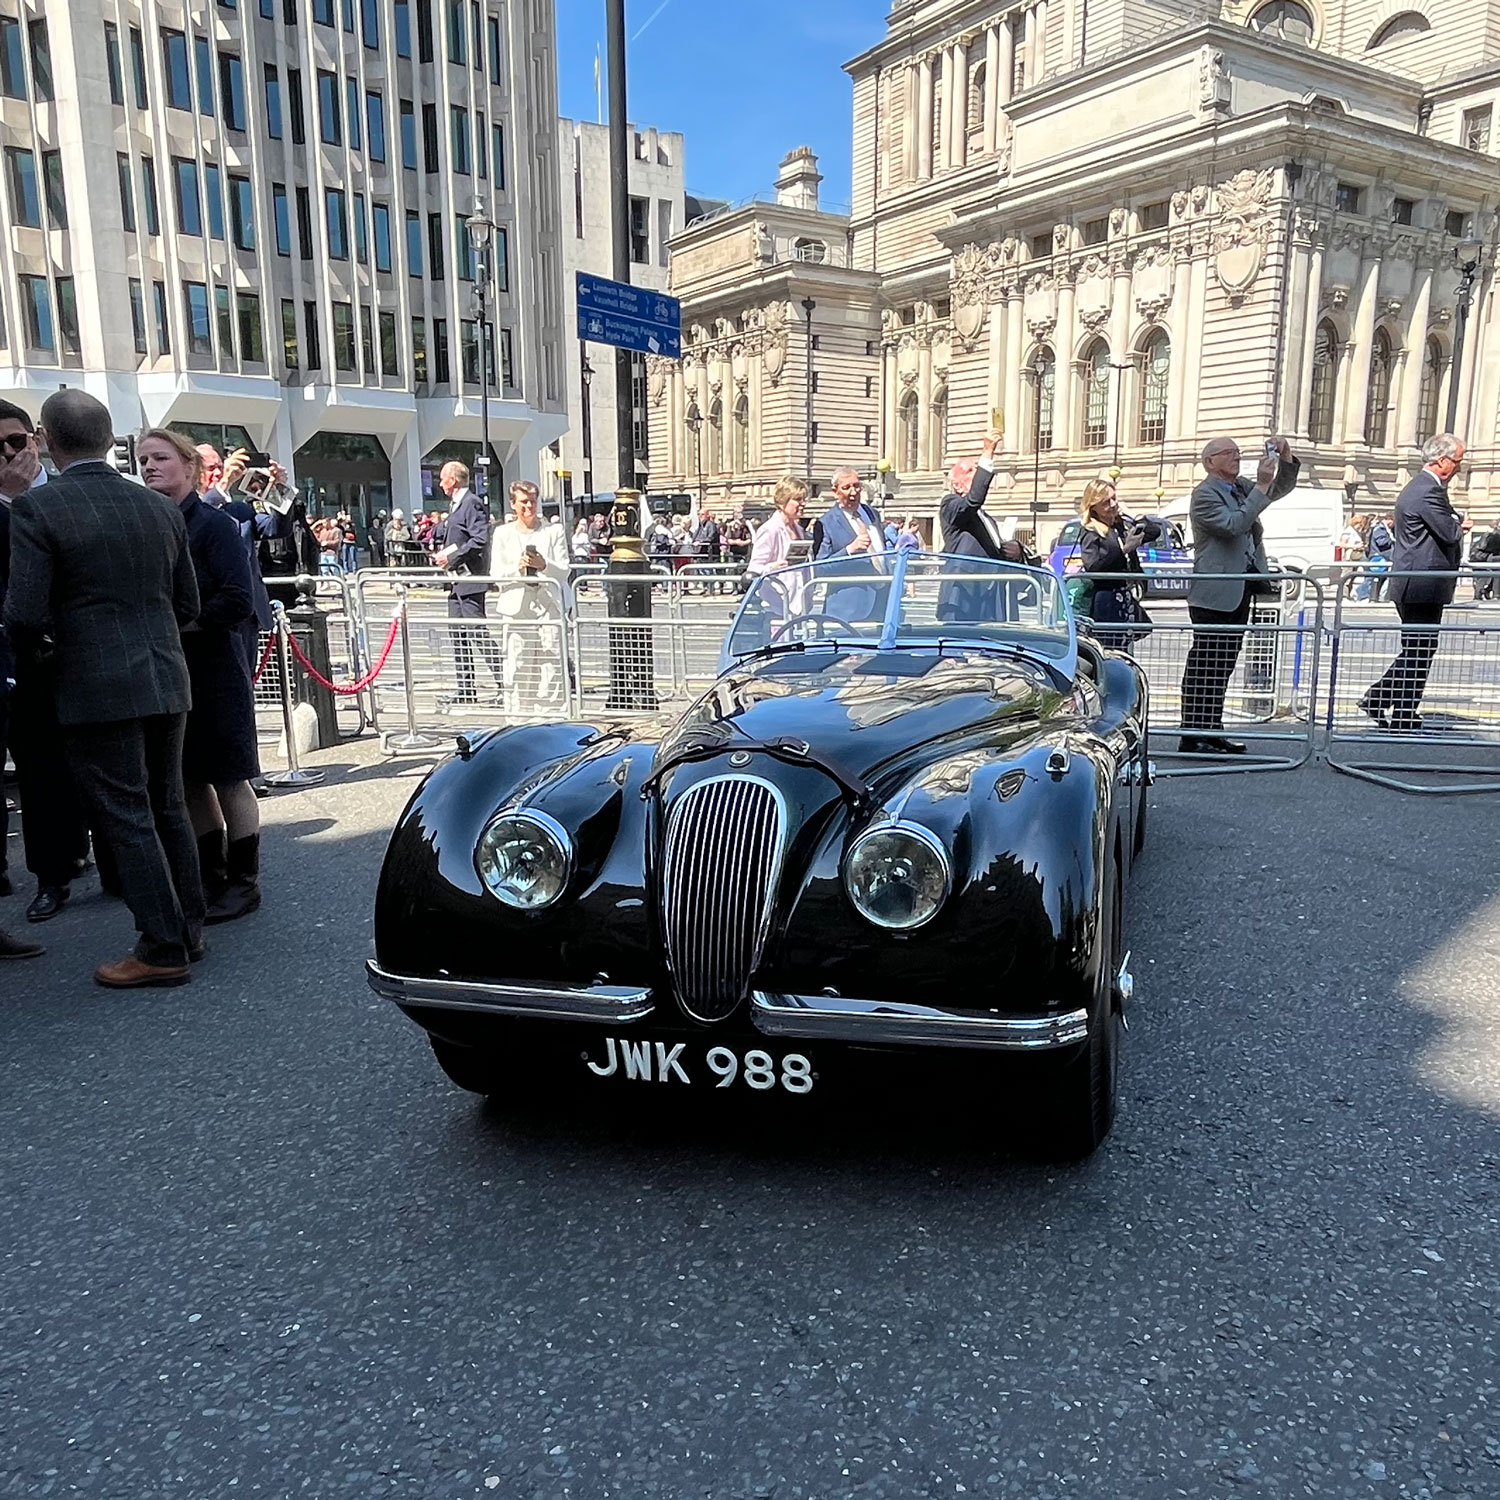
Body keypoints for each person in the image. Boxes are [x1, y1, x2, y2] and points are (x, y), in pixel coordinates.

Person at [4, 390, 204, 988]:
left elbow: (24, 614)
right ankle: (188, 927)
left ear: (47, 440)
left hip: (93, 681)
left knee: (127, 812)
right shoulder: (160, 509)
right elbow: (188, 603)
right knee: (167, 804)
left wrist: (48, 650)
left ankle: (163, 946)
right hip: (166, 673)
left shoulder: (37, 511)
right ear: (108, 436)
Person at [139, 431, 263, 923]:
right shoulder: (147, 524)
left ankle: (244, 880)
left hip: (214, 669)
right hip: (169, 670)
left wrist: (180, 622)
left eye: (161, 458)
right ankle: (210, 874)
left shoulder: (212, 526)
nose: (149, 467)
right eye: (143, 459)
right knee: (188, 778)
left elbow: (237, 598)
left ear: (189, 467)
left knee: (230, 777)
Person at [0, 400, 95, 922]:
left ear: (36, 440)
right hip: (25, 662)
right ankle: (51, 876)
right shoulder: (8, 504)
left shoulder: (71, 491)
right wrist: (12, 507)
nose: (10, 455)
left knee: (104, 768)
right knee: (39, 773)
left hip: (84, 653)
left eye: (17, 442)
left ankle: (118, 868)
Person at [1178, 435, 1301, 755]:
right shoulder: (1205, 494)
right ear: (1210, 462)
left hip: (1240, 588)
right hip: (1214, 592)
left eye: (1238, 452)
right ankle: (1192, 734)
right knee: (1206, 663)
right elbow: (1233, 524)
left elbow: (1277, 490)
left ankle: (1212, 729)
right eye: (1228, 453)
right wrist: (1259, 487)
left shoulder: (1241, 486)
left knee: (1224, 664)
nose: (1236, 458)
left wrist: (1285, 459)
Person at [1359, 433, 1470, 732]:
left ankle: (1403, 710)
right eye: (1458, 461)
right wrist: (1461, 524)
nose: (1459, 467)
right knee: (1419, 649)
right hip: (1421, 582)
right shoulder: (1426, 491)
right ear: (1442, 461)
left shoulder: (1426, 488)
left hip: (1418, 580)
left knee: (1419, 649)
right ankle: (1380, 699)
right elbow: (1448, 531)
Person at [490, 480, 571, 715]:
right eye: (523, 502)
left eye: (533, 502)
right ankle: (517, 718)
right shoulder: (503, 533)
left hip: (548, 606)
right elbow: (497, 575)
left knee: (552, 664)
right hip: (517, 608)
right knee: (518, 665)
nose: (529, 507)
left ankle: (552, 718)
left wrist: (544, 564)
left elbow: (564, 570)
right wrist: (519, 568)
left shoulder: (553, 531)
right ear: (513, 504)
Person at [432, 461, 500, 706]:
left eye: (442, 479)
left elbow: (479, 539)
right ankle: (466, 688)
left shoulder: (471, 503)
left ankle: (503, 684)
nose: (440, 484)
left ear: (454, 479)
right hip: (455, 581)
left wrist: (452, 556)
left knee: (477, 632)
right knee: (458, 634)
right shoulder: (455, 506)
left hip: (469, 579)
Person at [1077, 478, 1161, 653]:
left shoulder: (1120, 525)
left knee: (1125, 648)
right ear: (1094, 507)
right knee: (1110, 649)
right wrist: (1124, 550)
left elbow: (1154, 531)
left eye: (1114, 498)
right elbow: (1093, 567)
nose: (1113, 504)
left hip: (1125, 596)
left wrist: (1133, 515)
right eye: (1106, 502)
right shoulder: (1091, 532)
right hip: (1106, 599)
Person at [1367, 510, 1395, 603]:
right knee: (1377, 578)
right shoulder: (1379, 528)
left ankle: (1379, 597)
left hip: (1385, 557)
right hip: (1379, 557)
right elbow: (1382, 543)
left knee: (1382, 578)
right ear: (1389, 519)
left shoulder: (1387, 529)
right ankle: (1372, 597)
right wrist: (1393, 540)